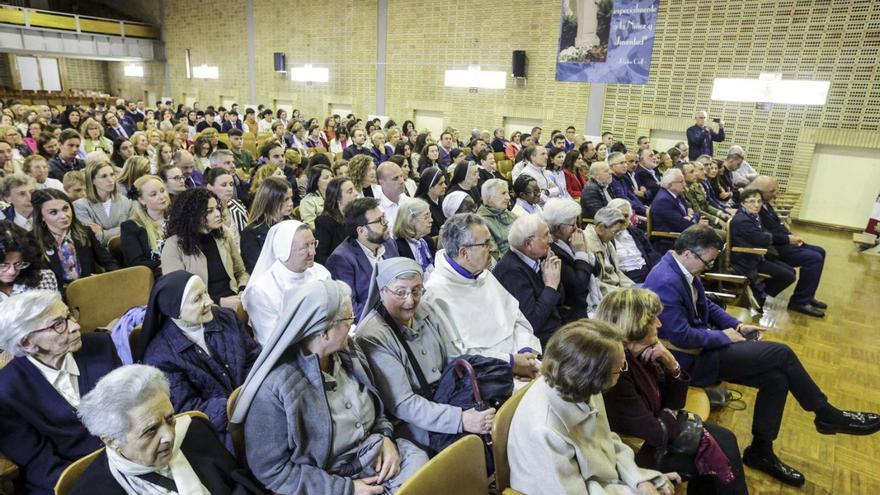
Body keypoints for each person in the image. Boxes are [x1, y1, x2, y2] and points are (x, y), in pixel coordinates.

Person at [643, 225, 880, 486]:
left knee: (776, 378)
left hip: (703, 348)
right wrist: (724, 336)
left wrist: (736, 326)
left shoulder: (683, 268)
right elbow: (680, 337)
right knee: (781, 353)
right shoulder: (665, 280)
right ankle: (826, 414)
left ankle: (761, 451)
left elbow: (706, 305)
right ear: (689, 253)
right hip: (689, 360)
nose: (708, 266)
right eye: (708, 261)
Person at [230, 279, 428, 494]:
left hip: (371, 455)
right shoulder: (275, 389)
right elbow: (272, 471)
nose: (352, 325)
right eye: (347, 319)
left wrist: (385, 438)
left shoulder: (347, 351)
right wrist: (347, 489)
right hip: (327, 481)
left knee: (428, 473)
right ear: (323, 332)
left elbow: (376, 409)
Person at [596, 289, 748, 495]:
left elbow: (675, 402)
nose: (659, 324)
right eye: (653, 320)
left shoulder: (646, 352)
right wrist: (670, 413)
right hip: (639, 452)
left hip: (659, 431)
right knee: (723, 454)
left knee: (726, 438)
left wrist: (672, 364)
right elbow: (656, 432)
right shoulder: (619, 370)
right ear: (635, 325)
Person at [507, 320, 679, 495]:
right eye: (619, 368)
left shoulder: (579, 383)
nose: (622, 370)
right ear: (594, 376)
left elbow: (606, 441)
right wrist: (633, 490)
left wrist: (639, 480)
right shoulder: (545, 431)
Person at [356, 258, 497, 453]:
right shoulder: (373, 335)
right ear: (382, 291)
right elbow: (403, 404)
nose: (410, 300)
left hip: (448, 396)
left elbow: (451, 359)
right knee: (474, 449)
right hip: (415, 423)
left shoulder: (424, 309)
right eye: (400, 292)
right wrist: (461, 419)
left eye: (416, 290)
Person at [73, 364, 261, 494]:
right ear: (112, 440)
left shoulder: (194, 431)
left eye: (170, 418)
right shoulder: (92, 489)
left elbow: (238, 483)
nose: (169, 435)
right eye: (151, 430)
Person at [0, 290, 120, 494]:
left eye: (69, 315)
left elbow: (130, 409)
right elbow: (38, 462)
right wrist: (97, 483)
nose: (75, 326)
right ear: (27, 344)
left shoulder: (100, 345)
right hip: (69, 478)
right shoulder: (7, 391)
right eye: (58, 324)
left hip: (128, 458)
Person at [134, 271, 259, 447]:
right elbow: (189, 410)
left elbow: (253, 358)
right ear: (174, 310)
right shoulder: (160, 357)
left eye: (206, 292)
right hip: (218, 431)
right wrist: (238, 406)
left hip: (257, 404)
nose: (209, 301)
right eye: (197, 299)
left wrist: (255, 395)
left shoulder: (226, 317)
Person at [422, 213, 541, 381]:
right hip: (488, 378)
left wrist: (525, 353)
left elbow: (517, 320)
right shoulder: (436, 296)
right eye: (485, 244)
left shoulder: (484, 275)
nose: (492, 248)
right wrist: (511, 363)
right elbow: (458, 355)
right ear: (464, 253)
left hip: (524, 361)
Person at [243, 220, 331, 344]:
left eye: (313, 243)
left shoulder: (321, 272)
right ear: (284, 250)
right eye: (305, 246)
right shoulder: (261, 290)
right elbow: (271, 341)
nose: (313, 252)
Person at [161, 188, 248, 309]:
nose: (218, 214)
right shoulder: (173, 245)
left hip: (235, 300)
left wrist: (242, 290)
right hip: (203, 309)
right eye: (209, 211)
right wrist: (219, 302)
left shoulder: (223, 234)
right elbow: (179, 293)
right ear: (192, 215)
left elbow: (241, 272)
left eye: (217, 208)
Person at [494, 213, 565, 344]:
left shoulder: (538, 258)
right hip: (539, 342)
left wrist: (555, 278)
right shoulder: (511, 272)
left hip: (556, 329)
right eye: (545, 235)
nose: (550, 239)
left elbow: (560, 301)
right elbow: (532, 323)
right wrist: (551, 286)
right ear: (528, 243)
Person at [327, 197, 400, 321]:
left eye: (384, 217)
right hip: (375, 324)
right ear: (361, 231)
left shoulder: (389, 243)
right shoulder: (341, 260)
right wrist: (392, 315)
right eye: (379, 220)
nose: (386, 222)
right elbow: (351, 309)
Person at [31, 188, 118, 289]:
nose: (64, 216)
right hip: (57, 298)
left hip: (90, 289)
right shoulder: (32, 241)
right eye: (54, 212)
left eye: (65, 209)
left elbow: (109, 262)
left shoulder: (85, 232)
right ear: (41, 216)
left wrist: (106, 279)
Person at [542, 198, 598, 324]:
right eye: (572, 225)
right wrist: (580, 253)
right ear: (558, 227)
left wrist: (586, 250)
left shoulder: (572, 241)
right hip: (575, 312)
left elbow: (597, 270)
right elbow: (578, 287)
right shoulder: (552, 251)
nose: (577, 228)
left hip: (591, 300)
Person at [72, 160, 133, 246]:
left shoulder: (126, 201)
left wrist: (102, 232)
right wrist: (120, 230)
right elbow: (92, 238)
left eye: (112, 174)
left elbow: (132, 230)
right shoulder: (80, 206)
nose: (110, 180)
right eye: (104, 176)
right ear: (92, 180)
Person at [240, 176, 294, 273]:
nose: (291, 203)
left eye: (291, 198)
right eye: (285, 199)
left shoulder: (293, 225)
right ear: (271, 200)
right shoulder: (251, 233)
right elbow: (256, 269)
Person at [120, 175, 168, 277]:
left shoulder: (177, 218)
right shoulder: (130, 227)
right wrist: (168, 264)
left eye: (162, 190)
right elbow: (136, 262)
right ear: (142, 200)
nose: (162, 196)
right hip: (155, 277)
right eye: (154, 194)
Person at [585, 207, 634, 300]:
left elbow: (617, 272)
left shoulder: (607, 241)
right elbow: (595, 283)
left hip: (616, 289)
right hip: (605, 297)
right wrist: (623, 293)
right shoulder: (586, 245)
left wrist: (633, 288)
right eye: (615, 232)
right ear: (600, 228)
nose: (615, 237)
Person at [650, 168, 706, 251]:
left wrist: (691, 216)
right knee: (713, 240)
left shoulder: (677, 195)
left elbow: (695, 211)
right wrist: (692, 217)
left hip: (684, 235)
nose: (684, 184)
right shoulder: (663, 201)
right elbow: (684, 225)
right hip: (671, 242)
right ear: (670, 185)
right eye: (681, 182)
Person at [0, 220, 58, 300]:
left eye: (18, 264)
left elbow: (57, 311)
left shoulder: (44, 278)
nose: (12, 271)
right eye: (3, 265)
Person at [203, 167, 248, 246]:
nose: (229, 189)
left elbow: (248, 234)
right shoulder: (205, 211)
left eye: (231, 184)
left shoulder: (238, 204)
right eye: (224, 185)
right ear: (209, 187)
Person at [392, 198, 437, 273]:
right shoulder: (398, 248)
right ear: (410, 220)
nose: (431, 220)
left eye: (430, 216)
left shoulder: (428, 241)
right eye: (426, 217)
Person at [476, 178, 516, 260]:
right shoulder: (480, 223)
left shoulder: (508, 213)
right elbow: (495, 257)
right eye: (503, 193)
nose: (508, 197)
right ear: (489, 197)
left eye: (508, 193)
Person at [683, 161, 730, 228]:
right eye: (701, 169)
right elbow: (697, 211)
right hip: (698, 223)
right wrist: (717, 220)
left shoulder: (696, 186)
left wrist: (720, 213)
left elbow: (706, 204)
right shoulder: (684, 191)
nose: (705, 172)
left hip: (704, 219)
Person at [608, 152, 646, 216]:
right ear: (611, 166)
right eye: (621, 163)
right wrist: (644, 211)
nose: (625, 165)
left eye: (625, 162)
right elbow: (623, 200)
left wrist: (643, 208)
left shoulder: (622, 177)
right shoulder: (611, 180)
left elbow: (631, 196)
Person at [376, 161, 410, 233]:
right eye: (395, 178)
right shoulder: (377, 209)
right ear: (382, 182)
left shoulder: (408, 202)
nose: (401, 181)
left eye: (401, 176)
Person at [414, 166, 447, 236]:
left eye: (444, 182)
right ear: (430, 187)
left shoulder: (441, 198)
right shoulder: (421, 206)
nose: (445, 186)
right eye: (441, 183)